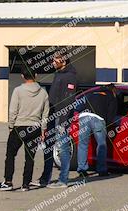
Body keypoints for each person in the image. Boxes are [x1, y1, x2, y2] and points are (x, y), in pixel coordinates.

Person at [0, 66, 49, 191]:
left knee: (10, 155)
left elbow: (13, 111)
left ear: (22, 76)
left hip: (19, 126)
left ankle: (8, 182)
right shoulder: (43, 92)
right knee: (30, 157)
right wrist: (43, 130)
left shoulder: (18, 91)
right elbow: (45, 114)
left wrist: (11, 126)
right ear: (36, 75)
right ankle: (25, 184)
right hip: (35, 127)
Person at [46, 51, 78, 189]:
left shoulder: (70, 77)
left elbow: (69, 100)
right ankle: (45, 178)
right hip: (53, 115)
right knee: (49, 147)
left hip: (61, 118)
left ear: (63, 62)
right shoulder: (58, 74)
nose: (53, 62)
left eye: (56, 60)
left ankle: (63, 180)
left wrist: (63, 123)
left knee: (63, 148)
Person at [74, 84, 118, 177]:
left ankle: (82, 170)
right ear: (113, 90)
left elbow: (80, 107)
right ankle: (101, 170)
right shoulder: (111, 96)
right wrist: (108, 125)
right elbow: (111, 114)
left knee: (82, 144)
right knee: (101, 144)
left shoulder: (92, 93)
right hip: (97, 119)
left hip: (83, 117)